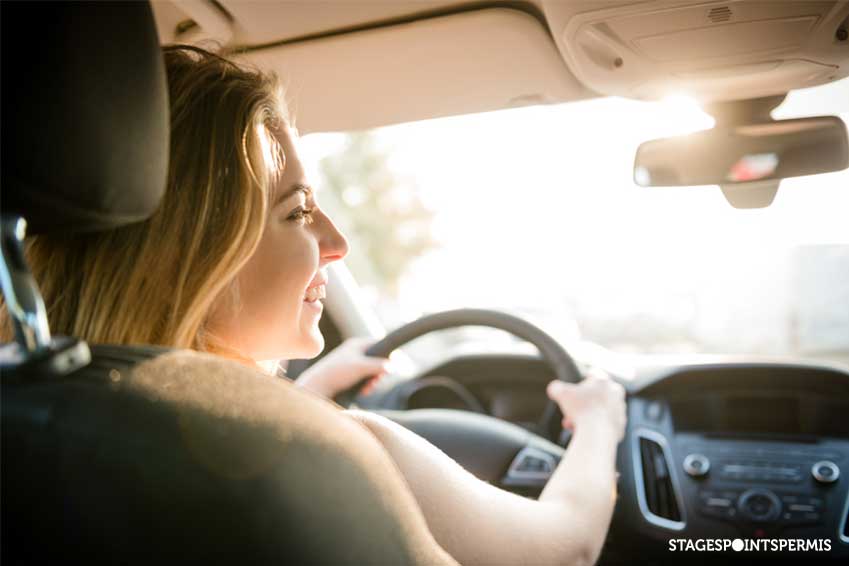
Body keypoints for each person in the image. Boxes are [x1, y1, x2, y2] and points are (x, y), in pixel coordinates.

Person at [3, 45, 626, 566]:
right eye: (298, 213)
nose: (337, 243)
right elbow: (566, 546)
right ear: (195, 256)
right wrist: (599, 424)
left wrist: (309, 393)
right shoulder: (339, 459)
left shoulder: (33, 435)